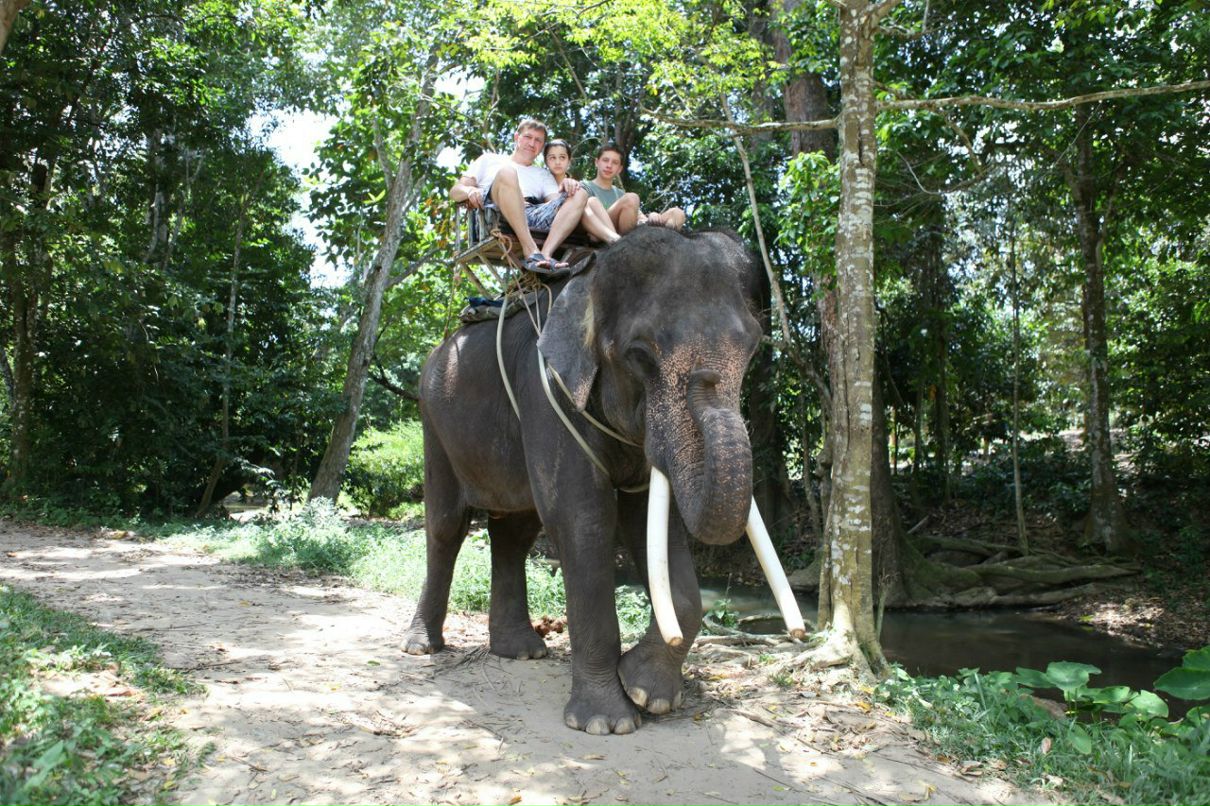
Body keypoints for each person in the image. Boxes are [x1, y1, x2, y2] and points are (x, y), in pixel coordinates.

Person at [450, 120, 608, 272]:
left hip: (532, 213)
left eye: (538, 140)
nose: (532, 144)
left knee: (580, 191)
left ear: (542, 146)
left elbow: (555, 204)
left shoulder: (542, 174)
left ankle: (545, 254)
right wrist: (469, 191)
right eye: (527, 137)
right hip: (495, 214)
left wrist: (569, 187)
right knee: (507, 172)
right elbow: (455, 191)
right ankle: (530, 250)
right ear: (517, 138)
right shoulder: (490, 160)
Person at [582, 143, 685, 234]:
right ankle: (627, 245)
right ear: (596, 162)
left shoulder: (620, 194)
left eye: (615, 163)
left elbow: (641, 218)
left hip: (633, 231)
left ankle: (663, 242)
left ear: (620, 169)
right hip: (603, 230)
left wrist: (653, 215)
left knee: (677, 213)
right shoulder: (585, 186)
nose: (609, 165)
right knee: (632, 198)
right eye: (605, 160)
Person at [541, 139, 622, 244]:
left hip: (581, 226)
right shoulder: (541, 179)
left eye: (562, 157)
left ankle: (616, 240)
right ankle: (616, 241)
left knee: (592, 201)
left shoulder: (576, 185)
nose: (558, 162)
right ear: (546, 161)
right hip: (556, 222)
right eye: (552, 158)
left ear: (569, 161)